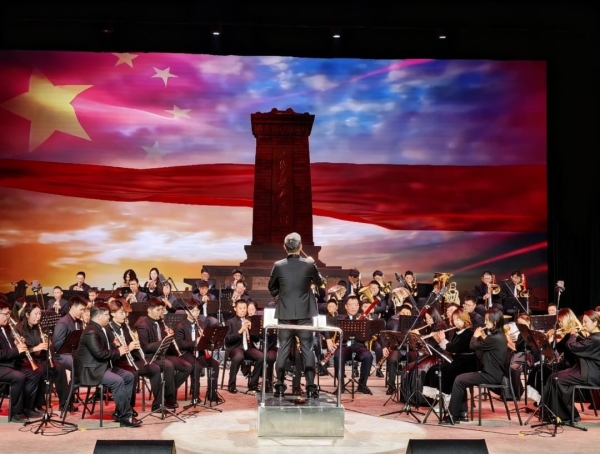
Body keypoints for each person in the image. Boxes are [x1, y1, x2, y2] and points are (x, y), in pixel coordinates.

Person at [268, 232, 324, 399]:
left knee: (283, 349)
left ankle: (279, 387)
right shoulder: (309, 263)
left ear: (285, 247)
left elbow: (272, 288)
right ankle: (311, 387)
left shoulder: (278, 265)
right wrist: (313, 265)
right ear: (301, 247)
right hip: (305, 314)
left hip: (285, 313)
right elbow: (320, 282)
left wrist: (283, 292)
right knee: (307, 349)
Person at [77, 303, 141, 427]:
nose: (108, 317)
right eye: (106, 315)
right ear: (98, 316)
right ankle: (125, 416)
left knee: (129, 376)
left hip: (102, 367)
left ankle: (120, 411)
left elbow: (103, 349)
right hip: (93, 371)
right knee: (117, 381)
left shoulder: (99, 329)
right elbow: (100, 354)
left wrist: (113, 345)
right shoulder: (91, 331)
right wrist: (119, 352)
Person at [442, 308, 507, 424]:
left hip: (491, 375)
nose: (485, 322)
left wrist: (475, 336)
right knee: (461, 378)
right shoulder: (498, 336)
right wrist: (483, 337)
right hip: (492, 372)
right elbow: (483, 351)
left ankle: (453, 415)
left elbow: (472, 346)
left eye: (487, 320)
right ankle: (461, 413)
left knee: (459, 379)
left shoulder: (495, 338)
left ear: (495, 321)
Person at [542, 310, 600, 424]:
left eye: (586, 322)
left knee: (556, 379)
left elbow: (573, 347)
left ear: (595, 322)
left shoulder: (595, 339)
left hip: (590, 373)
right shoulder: (594, 337)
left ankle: (567, 415)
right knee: (554, 376)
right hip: (586, 370)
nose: (583, 325)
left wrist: (572, 335)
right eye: (583, 322)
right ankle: (556, 413)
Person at [107, 299, 163, 413]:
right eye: (121, 313)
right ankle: (128, 408)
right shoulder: (109, 329)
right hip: (118, 362)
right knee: (133, 373)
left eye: (125, 313)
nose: (125, 316)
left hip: (131, 359)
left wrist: (137, 347)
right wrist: (129, 347)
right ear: (112, 314)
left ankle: (158, 405)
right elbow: (111, 351)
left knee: (155, 368)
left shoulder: (125, 326)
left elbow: (133, 347)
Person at [134, 298, 191, 409]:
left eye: (162, 310)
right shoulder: (143, 325)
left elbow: (165, 340)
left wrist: (169, 336)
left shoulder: (161, 321)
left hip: (164, 353)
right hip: (151, 356)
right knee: (169, 365)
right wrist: (163, 341)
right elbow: (145, 347)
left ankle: (166, 392)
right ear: (149, 310)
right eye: (158, 310)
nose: (161, 312)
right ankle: (169, 398)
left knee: (187, 366)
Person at [16, 303, 69, 413]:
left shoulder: (39, 327)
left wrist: (49, 344)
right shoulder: (19, 329)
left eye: (40, 314)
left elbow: (45, 348)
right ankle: (37, 405)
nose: (38, 317)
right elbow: (20, 352)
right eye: (36, 314)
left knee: (59, 367)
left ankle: (65, 403)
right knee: (39, 370)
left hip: (41, 359)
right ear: (27, 315)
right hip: (26, 361)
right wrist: (35, 348)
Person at [0, 301, 44, 423]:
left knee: (35, 372)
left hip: (9, 363)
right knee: (18, 377)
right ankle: (16, 413)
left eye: (9, 314)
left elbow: (8, 348)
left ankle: (27, 408)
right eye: (5, 314)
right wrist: (16, 350)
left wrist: (16, 343)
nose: (8, 317)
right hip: (2, 365)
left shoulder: (5, 328)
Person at [327, 295, 374, 395]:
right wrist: (328, 340)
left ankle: (362, 385)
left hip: (359, 346)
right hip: (344, 346)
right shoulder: (339, 318)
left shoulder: (363, 318)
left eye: (356, 305)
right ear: (346, 306)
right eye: (351, 305)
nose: (354, 307)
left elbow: (369, 336)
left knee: (368, 356)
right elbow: (327, 326)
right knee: (338, 356)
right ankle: (341, 385)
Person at [174, 300, 219, 402]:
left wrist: (206, 339)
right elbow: (181, 344)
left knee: (214, 364)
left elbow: (207, 340)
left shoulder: (201, 324)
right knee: (197, 366)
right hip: (186, 353)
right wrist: (195, 342)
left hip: (199, 353)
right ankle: (195, 396)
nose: (196, 313)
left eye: (198, 310)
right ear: (187, 312)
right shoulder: (180, 325)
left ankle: (212, 393)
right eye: (193, 311)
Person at [224, 299, 264, 394]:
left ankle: (253, 384)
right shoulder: (230, 322)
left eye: (244, 308)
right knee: (238, 357)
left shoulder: (250, 320)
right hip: (235, 347)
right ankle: (231, 384)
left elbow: (256, 339)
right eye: (240, 308)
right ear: (235, 309)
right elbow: (227, 340)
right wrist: (240, 331)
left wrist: (252, 329)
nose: (243, 310)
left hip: (248, 348)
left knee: (261, 357)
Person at [52, 296, 87, 371]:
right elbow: (57, 346)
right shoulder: (63, 323)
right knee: (76, 361)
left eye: (84, 310)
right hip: (62, 356)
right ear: (73, 308)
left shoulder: (79, 322)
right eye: (81, 309)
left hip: (74, 352)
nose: (83, 312)